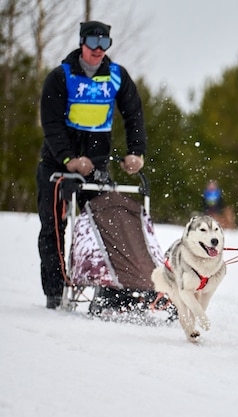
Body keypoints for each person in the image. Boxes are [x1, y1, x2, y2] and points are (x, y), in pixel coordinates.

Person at [36, 21, 147, 309]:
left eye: (104, 44)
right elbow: (51, 123)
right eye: (93, 43)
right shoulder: (60, 77)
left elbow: (133, 115)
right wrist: (69, 159)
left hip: (96, 168)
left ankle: (110, 289)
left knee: (105, 226)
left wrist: (136, 153)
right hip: (57, 167)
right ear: (82, 43)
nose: (98, 50)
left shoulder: (116, 76)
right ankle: (55, 292)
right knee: (54, 228)